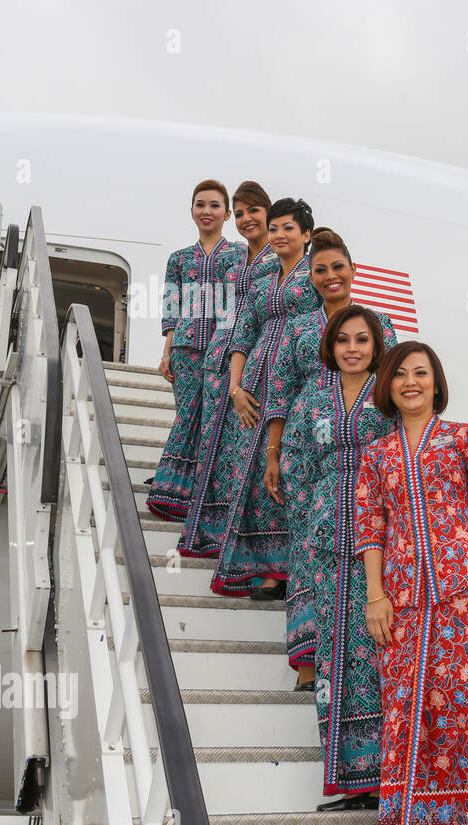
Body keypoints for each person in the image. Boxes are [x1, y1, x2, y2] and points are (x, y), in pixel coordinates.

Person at [356, 341, 468, 825]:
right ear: (389, 386)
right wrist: (376, 594)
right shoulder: (377, 454)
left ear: (436, 383)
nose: (410, 382)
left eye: (420, 373)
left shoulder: (464, 438)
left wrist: (458, 556)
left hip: (461, 600)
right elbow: (369, 525)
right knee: (403, 714)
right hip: (397, 601)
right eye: (400, 374)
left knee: (457, 712)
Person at [263, 228, 398, 688]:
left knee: (365, 566)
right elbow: (279, 390)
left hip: (365, 449)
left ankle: (357, 670)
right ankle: (308, 663)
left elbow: (395, 386)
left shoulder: (379, 323)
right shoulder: (300, 327)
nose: (329, 276)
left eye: (337, 267)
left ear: (353, 271)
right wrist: (275, 453)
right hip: (312, 449)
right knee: (307, 557)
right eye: (319, 270)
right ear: (311, 277)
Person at [293, 306, 396, 810]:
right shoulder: (314, 395)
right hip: (324, 540)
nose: (352, 348)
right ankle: (354, 781)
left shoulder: (389, 393)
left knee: (375, 655)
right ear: (330, 346)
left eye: (362, 340)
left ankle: (389, 777)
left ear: (376, 346)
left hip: (379, 542)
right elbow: (295, 457)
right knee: (335, 659)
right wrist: (310, 514)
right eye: (343, 341)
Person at [210, 198, 320, 600]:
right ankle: (255, 566)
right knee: (253, 472)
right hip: (253, 382)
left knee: (283, 472)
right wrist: (235, 388)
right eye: (273, 228)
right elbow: (242, 333)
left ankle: (282, 573)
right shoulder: (262, 280)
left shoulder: (315, 277)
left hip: (294, 381)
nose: (278, 235)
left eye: (288, 228)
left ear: (306, 235)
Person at [179, 181, 277, 557]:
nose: (246, 219)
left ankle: (240, 542)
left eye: (253, 210)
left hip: (251, 367)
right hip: (217, 363)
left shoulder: (276, 259)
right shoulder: (237, 261)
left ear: (267, 212)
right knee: (212, 451)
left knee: (240, 457)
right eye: (240, 213)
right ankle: (211, 534)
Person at [148, 179, 244, 519]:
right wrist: (166, 351)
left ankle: (198, 493)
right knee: (187, 416)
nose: (207, 211)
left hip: (222, 351)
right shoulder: (179, 258)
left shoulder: (239, 256)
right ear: (192, 210)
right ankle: (173, 491)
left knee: (212, 422)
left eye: (214, 205)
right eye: (200, 204)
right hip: (186, 349)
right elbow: (171, 306)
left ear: (227, 213)